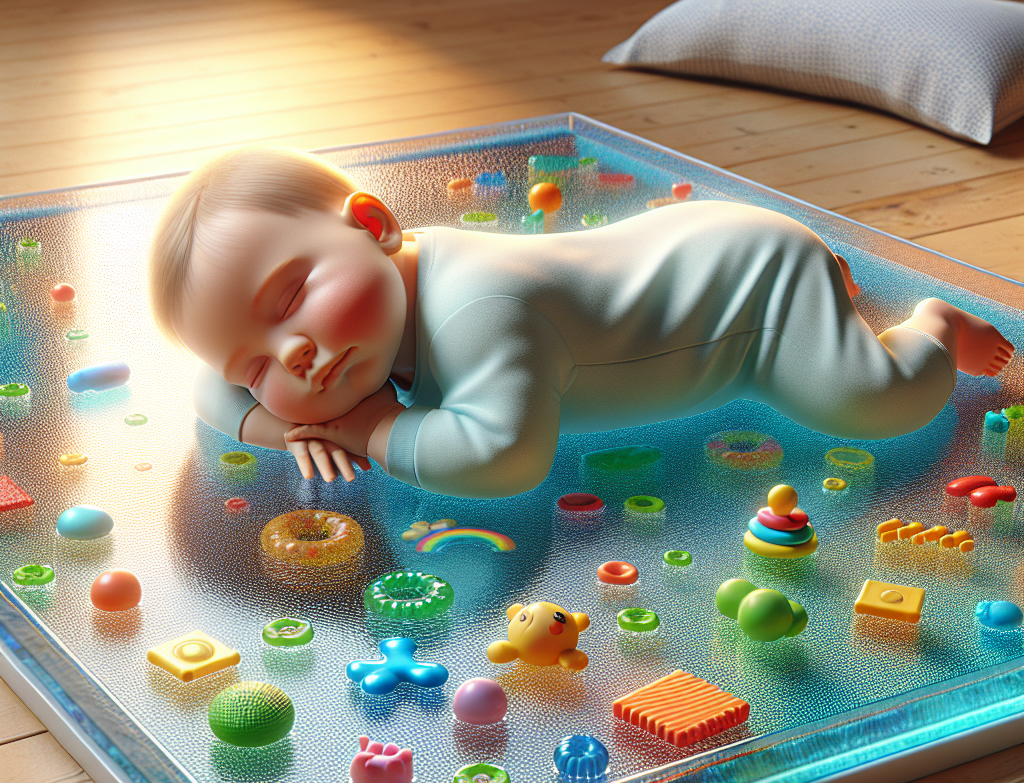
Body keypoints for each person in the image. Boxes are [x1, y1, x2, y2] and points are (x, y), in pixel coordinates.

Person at [149, 146, 1014, 499]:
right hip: (682, 250)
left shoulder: (480, 308)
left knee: (874, 403)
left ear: (374, 227)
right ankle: (834, 284)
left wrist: (369, 426)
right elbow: (206, 383)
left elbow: (506, 457)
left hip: (748, 294)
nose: (291, 355)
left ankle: (929, 330)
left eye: (292, 298)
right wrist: (279, 418)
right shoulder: (381, 302)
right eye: (255, 364)